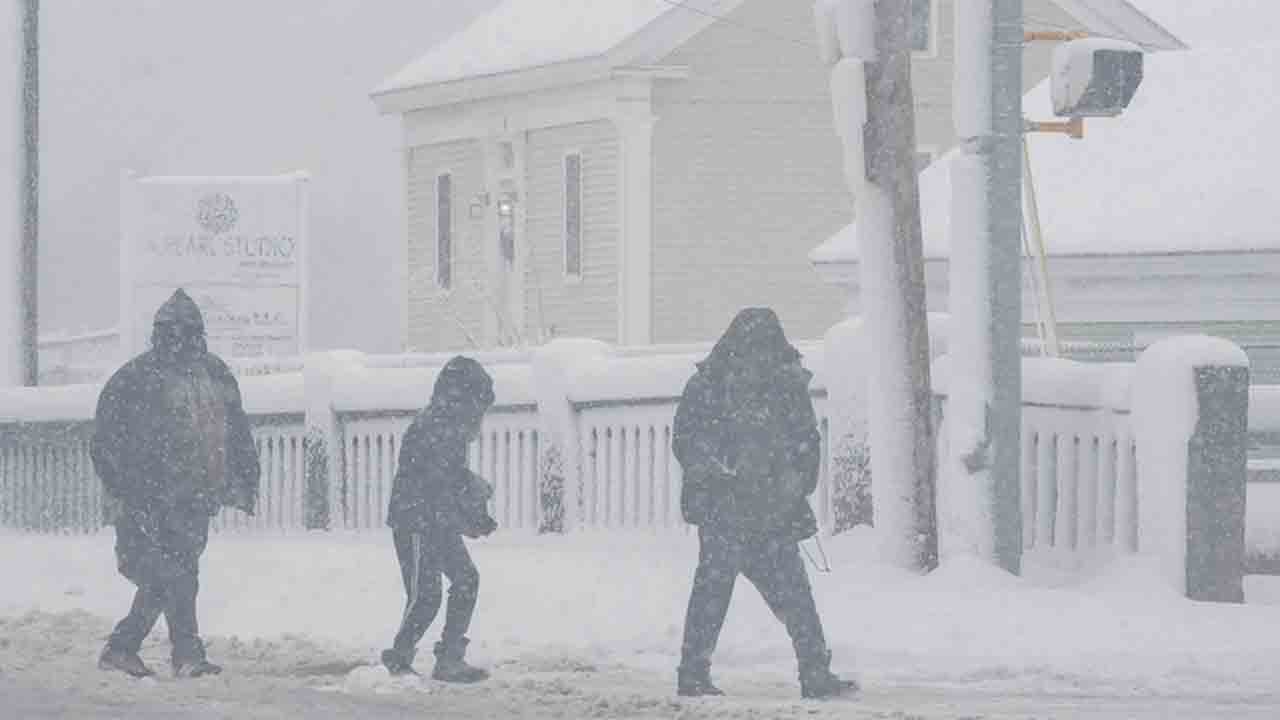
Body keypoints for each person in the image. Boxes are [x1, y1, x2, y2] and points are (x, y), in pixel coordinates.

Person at [672, 308, 856, 699]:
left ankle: (696, 672)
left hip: (758, 513)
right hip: (738, 512)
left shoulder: (719, 384)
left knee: (729, 593)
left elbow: (805, 444)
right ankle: (813, 672)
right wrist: (723, 469)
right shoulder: (732, 385)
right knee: (784, 595)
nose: (757, 357)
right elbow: (690, 441)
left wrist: (795, 481)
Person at [91, 289, 259, 678]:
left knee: (182, 571)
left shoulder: (214, 373)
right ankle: (138, 647)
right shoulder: (135, 379)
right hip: (147, 496)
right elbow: (106, 441)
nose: (179, 342)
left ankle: (178, 652)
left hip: (195, 495)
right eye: (171, 333)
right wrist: (131, 489)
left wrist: (243, 474)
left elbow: (235, 428)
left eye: (186, 332)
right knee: (165, 573)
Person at [381, 355, 498, 681]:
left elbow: (450, 480)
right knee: (425, 594)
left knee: (466, 579)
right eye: (477, 406)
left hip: (437, 520)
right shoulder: (430, 427)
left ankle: (449, 658)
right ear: (461, 399)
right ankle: (399, 658)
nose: (479, 416)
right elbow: (438, 480)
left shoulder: (451, 429)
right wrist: (471, 495)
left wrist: (472, 513)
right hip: (415, 522)